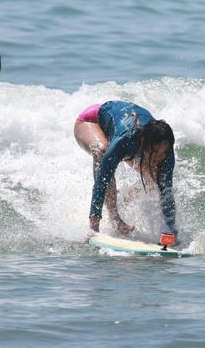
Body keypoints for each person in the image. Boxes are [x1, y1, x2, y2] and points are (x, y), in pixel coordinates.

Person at [74, 101, 178, 243]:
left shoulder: (165, 150)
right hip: (92, 121)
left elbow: (166, 192)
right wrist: (94, 229)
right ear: (143, 143)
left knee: (158, 181)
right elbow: (101, 182)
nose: (159, 158)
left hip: (128, 133)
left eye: (163, 153)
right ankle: (115, 218)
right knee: (102, 151)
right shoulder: (125, 141)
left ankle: (122, 200)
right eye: (154, 152)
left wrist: (172, 232)